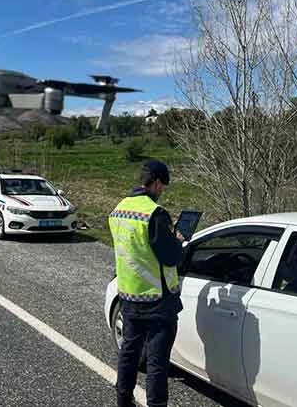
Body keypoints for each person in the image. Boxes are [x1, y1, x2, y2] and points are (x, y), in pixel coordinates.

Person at [108, 159, 185, 407]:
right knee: (156, 362)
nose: (162, 192)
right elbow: (170, 256)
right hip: (157, 301)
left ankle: (123, 400)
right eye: (163, 186)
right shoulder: (154, 214)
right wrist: (178, 241)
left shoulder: (119, 209)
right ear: (156, 183)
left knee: (129, 354)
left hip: (129, 297)